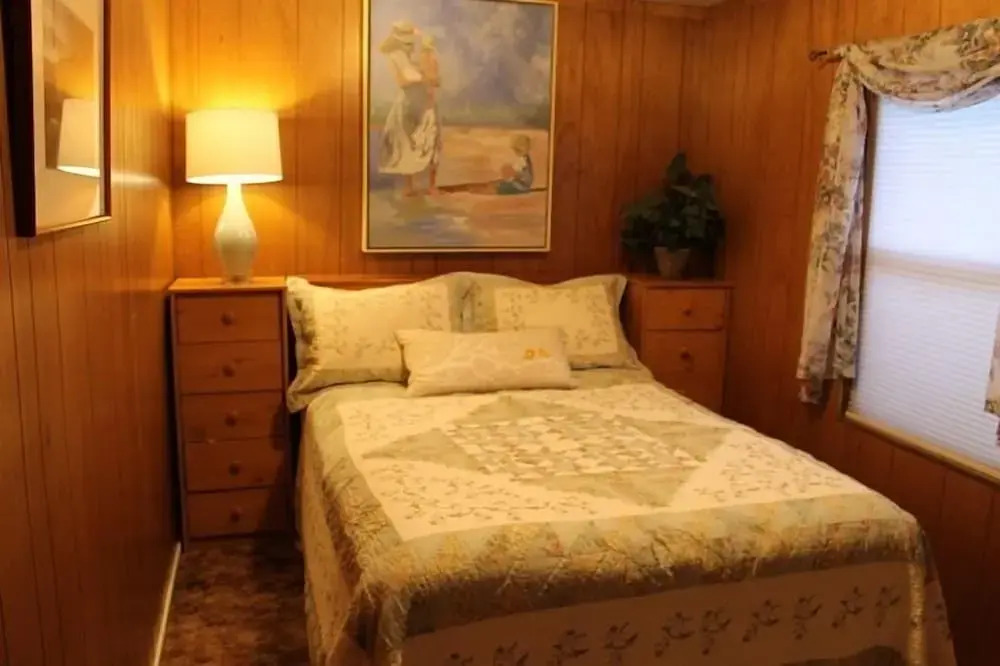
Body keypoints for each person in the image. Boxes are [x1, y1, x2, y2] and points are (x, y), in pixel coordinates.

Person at [377, 21, 442, 196]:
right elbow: (402, 81)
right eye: (408, 42)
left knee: (430, 140)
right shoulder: (395, 57)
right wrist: (423, 78)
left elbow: (434, 78)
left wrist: (428, 76)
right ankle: (410, 186)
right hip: (408, 103)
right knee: (407, 143)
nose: (411, 45)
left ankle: (430, 185)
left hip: (424, 102)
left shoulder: (415, 56)